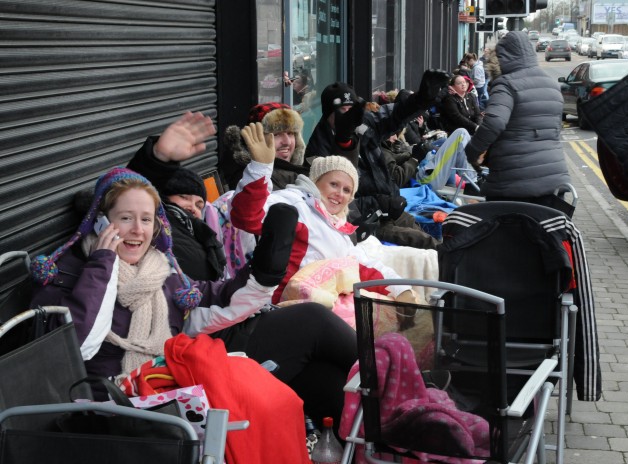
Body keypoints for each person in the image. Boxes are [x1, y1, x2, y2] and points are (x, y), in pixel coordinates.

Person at [29, 167, 358, 429]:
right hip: (120, 406)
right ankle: (391, 379)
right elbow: (79, 345)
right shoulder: (66, 275)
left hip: (176, 384)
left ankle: (377, 423)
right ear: (101, 222)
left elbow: (214, 301)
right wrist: (104, 263)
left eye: (146, 220)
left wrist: (262, 273)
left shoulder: (159, 270)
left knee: (324, 381)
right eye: (125, 218)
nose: (137, 230)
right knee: (310, 323)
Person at [231, 122, 420, 311]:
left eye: (347, 190)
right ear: (316, 181)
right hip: (284, 307)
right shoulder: (296, 202)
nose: (340, 193)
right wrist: (260, 168)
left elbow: (363, 265)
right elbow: (247, 216)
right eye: (334, 184)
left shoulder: (337, 224)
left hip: (322, 305)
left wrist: (401, 291)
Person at [305, 70, 451, 249]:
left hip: (393, 208)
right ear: (329, 113)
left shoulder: (363, 123)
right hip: (364, 222)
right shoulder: (318, 150)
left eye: (353, 110)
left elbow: (396, 114)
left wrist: (421, 100)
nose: (350, 116)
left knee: (435, 238)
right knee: (427, 246)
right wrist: (378, 203)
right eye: (343, 110)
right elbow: (328, 202)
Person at [465, 31, 571, 209]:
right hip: (555, 179)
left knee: (505, 235)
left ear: (502, 58)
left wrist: (472, 151)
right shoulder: (552, 84)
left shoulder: (506, 83)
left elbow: (494, 123)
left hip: (514, 183)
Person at [125, 112, 227, 281]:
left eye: (199, 205)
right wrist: (158, 158)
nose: (192, 207)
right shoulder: (155, 221)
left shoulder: (202, 235)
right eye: (184, 197)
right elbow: (130, 193)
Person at [222, 103, 309, 191]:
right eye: (277, 134)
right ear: (257, 138)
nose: (287, 142)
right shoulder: (248, 178)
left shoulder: (295, 173)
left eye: (290, 133)